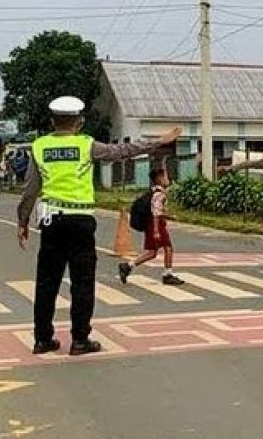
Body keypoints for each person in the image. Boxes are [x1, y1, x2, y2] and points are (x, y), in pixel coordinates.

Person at [17, 97, 180, 356]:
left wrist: (23, 220)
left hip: (51, 222)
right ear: (79, 121)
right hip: (80, 222)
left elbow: (30, 189)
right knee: (82, 281)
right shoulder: (86, 145)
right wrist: (157, 142)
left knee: (47, 281)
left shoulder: (40, 146)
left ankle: (42, 339)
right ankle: (80, 340)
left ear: (52, 120)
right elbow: (123, 151)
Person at [118, 166, 185, 287]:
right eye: (165, 176)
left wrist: (169, 217)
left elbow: (157, 211)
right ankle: (167, 275)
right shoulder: (159, 194)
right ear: (159, 179)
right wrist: (156, 230)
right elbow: (155, 213)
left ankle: (127, 266)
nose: (168, 179)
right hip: (156, 225)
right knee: (168, 248)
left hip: (154, 224)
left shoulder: (155, 192)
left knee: (152, 253)